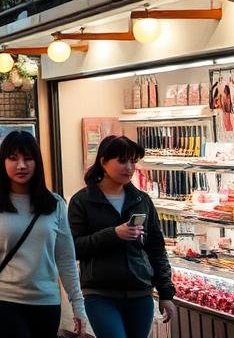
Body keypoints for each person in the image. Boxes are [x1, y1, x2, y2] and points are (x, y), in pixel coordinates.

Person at [0, 130, 85, 338]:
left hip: (47, 302)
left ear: (37, 162)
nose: (21, 165)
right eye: (13, 158)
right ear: (3, 162)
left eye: (28, 158)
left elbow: (65, 258)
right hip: (4, 301)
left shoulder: (55, 205)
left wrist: (78, 306)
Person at [68, 135, 176, 338]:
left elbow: (156, 248)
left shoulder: (141, 200)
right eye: (122, 161)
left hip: (140, 292)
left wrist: (166, 293)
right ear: (103, 162)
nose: (129, 167)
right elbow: (74, 247)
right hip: (100, 293)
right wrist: (113, 234)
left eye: (133, 161)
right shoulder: (82, 201)